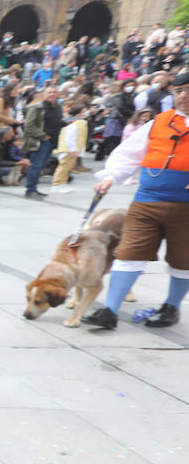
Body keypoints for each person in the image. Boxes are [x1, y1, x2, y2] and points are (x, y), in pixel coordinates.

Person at [83, 71, 189, 329]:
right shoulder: (158, 123)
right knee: (128, 253)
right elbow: (128, 154)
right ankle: (109, 311)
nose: (184, 95)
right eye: (179, 91)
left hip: (186, 207)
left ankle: (171, 307)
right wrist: (110, 176)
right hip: (147, 202)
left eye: (188, 90)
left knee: (183, 260)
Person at [22, 87, 63, 199]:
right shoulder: (37, 108)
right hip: (41, 142)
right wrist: (42, 135)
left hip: (52, 142)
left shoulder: (58, 108)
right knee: (35, 166)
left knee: (41, 166)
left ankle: (34, 188)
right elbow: (29, 125)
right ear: (44, 95)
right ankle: (30, 190)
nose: (52, 94)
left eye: (54, 92)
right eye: (49, 92)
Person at [52, 103, 88, 188]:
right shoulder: (74, 123)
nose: (85, 113)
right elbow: (69, 137)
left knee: (68, 168)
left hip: (73, 149)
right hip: (68, 149)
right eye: (83, 112)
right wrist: (73, 149)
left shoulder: (79, 122)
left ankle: (62, 183)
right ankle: (57, 184)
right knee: (64, 167)